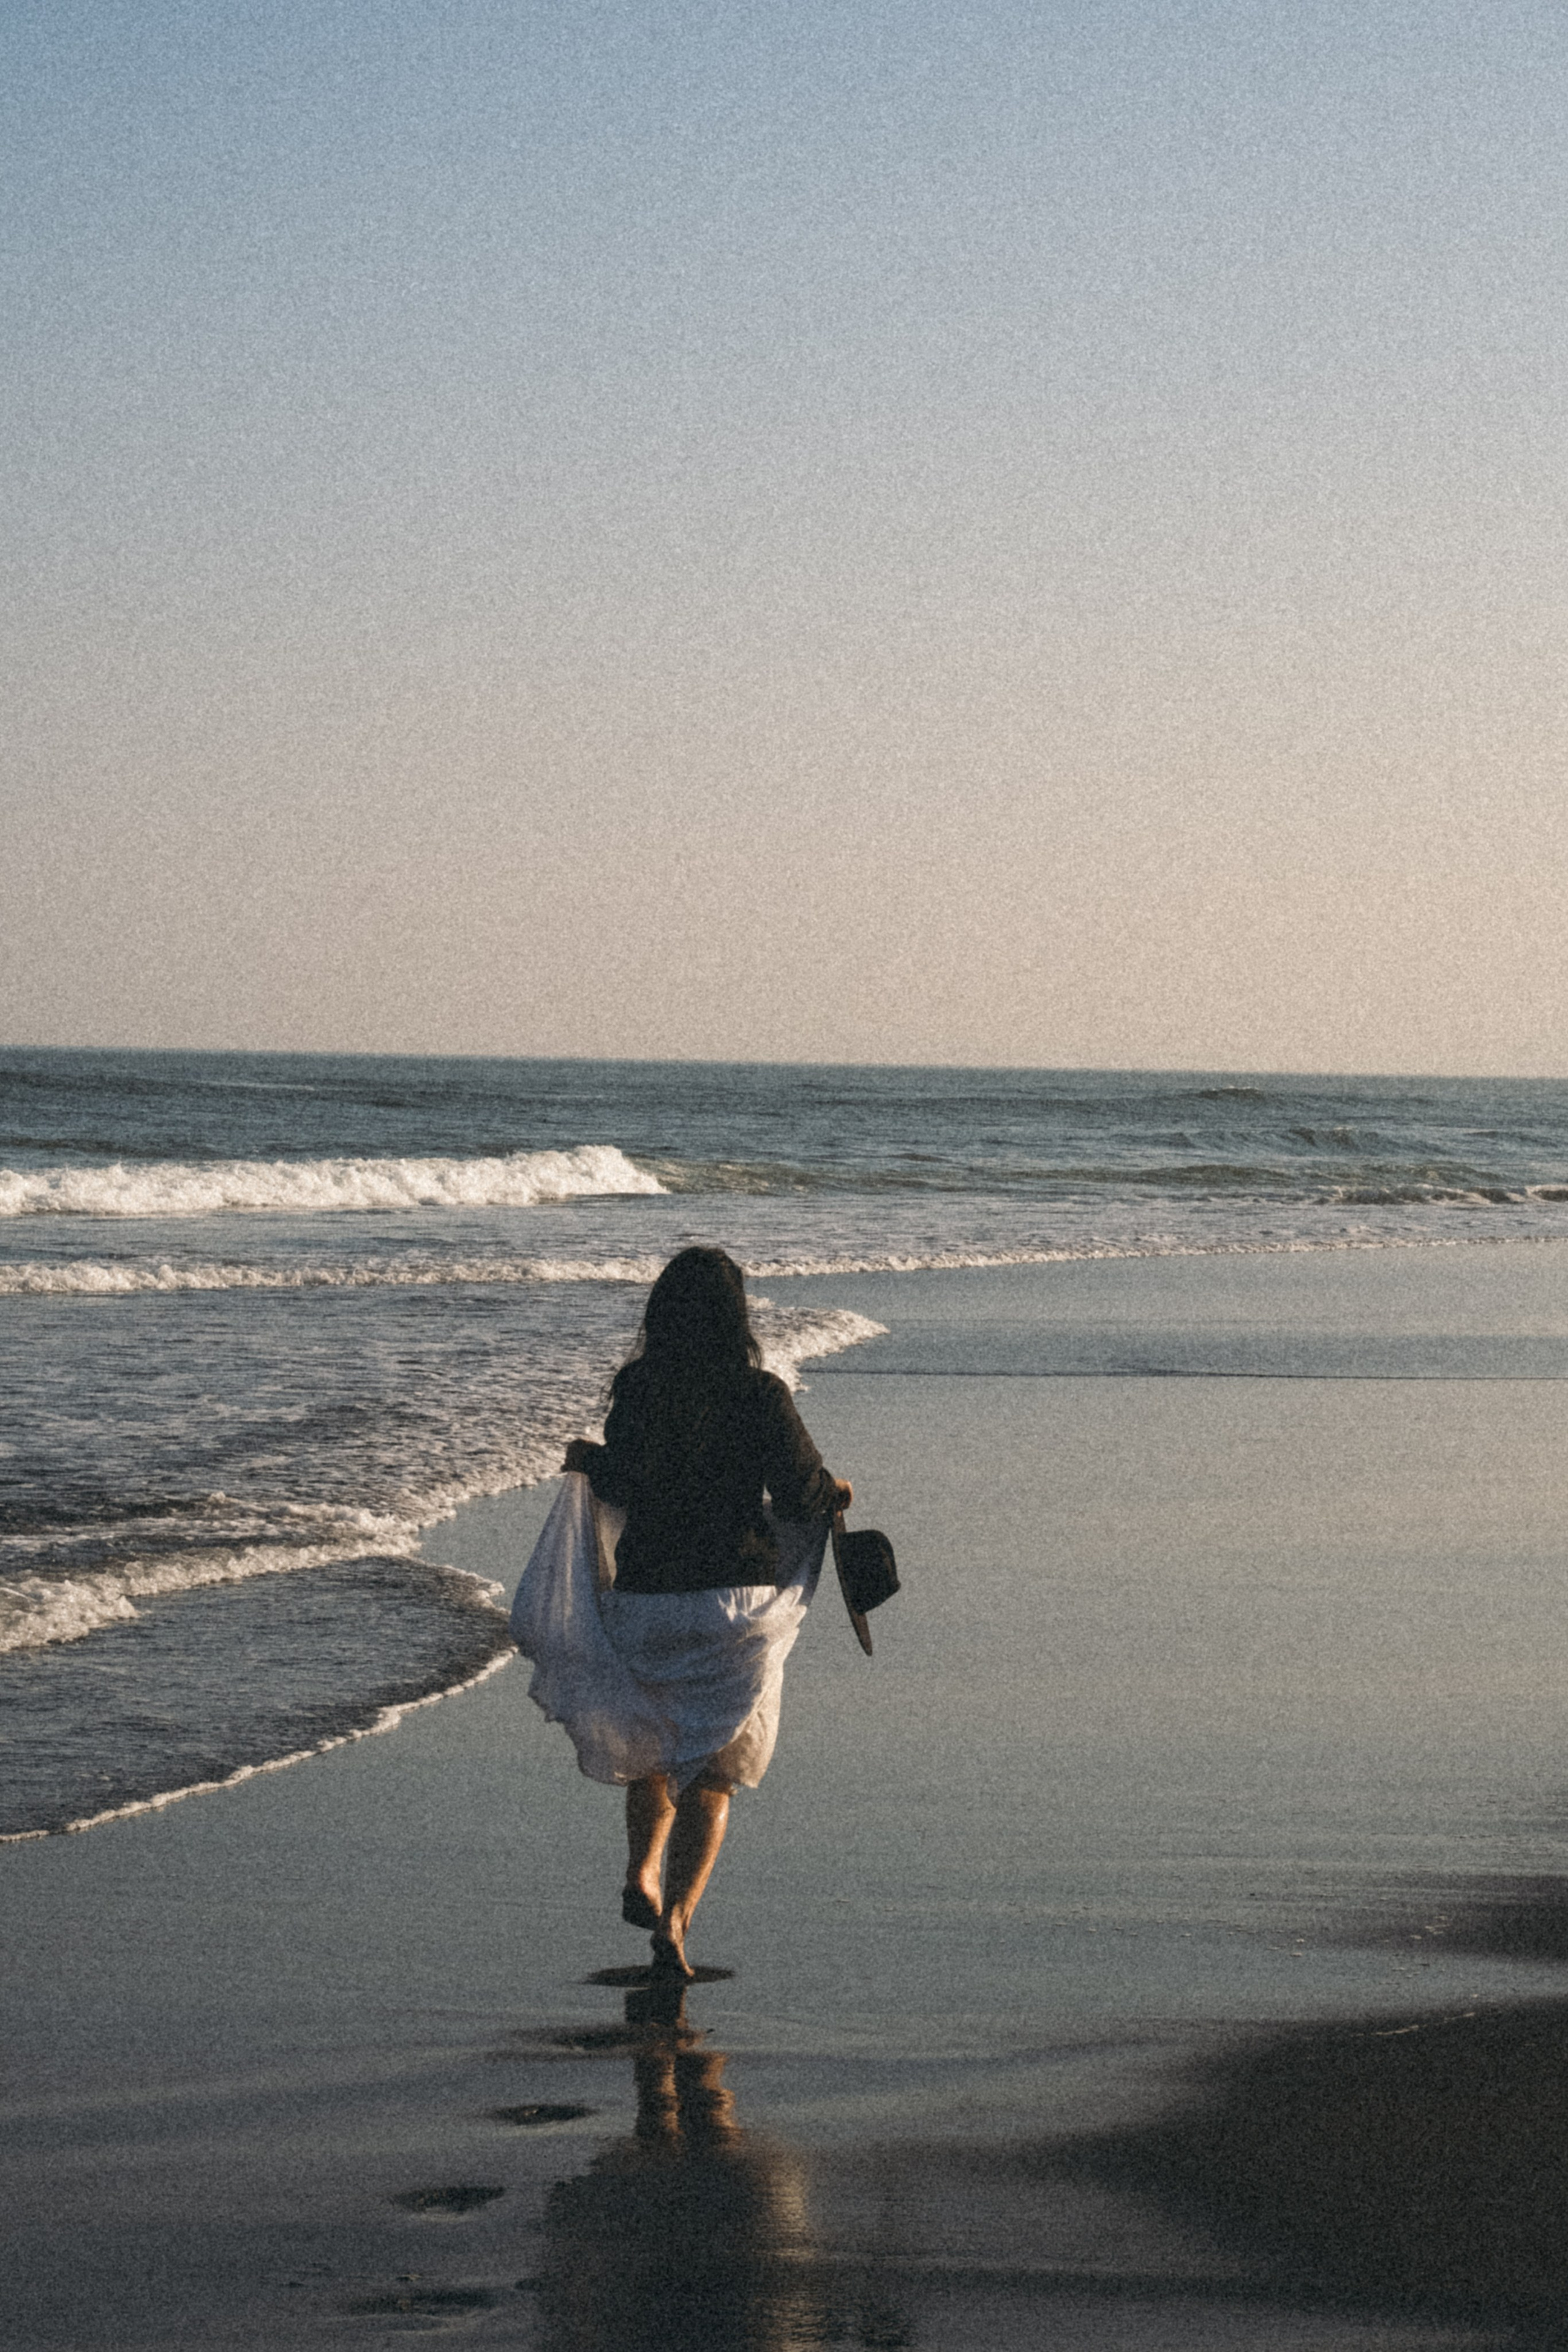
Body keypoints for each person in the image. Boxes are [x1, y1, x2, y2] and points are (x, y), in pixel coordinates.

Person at [556, 1246, 851, 1979]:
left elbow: (619, 1484)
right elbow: (797, 1495)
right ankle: (677, 1924)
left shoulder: (640, 1389)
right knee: (714, 1772)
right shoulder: (760, 1395)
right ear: (738, 1318)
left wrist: (590, 1462)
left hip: (648, 1596)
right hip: (734, 1608)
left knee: (654, 1750)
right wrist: (836, 1492)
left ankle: (641, 1872)